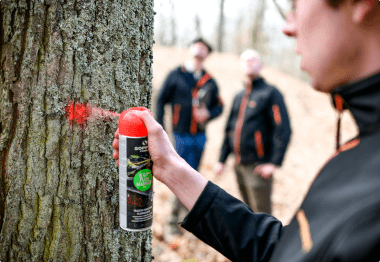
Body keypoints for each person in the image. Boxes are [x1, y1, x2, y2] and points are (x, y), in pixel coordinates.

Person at [113, 0, 380, 260]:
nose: (287, 26)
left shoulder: (259, 92)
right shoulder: (358, 155)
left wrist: (272, 161)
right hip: (196, 144)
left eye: (296, 4)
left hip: (242, 156)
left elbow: (277, 128)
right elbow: (281, 249)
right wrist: (172, 166)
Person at [155, 37, 224, 235]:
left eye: (205, 48)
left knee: (194, 176)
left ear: (207, 54)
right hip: (180, 135)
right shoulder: (176, 74)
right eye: (198, 46)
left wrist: (208, 114)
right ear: (191, 49)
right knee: (181, 175)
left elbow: (219, 106)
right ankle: (172, 222)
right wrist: (161, 128)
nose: (200, 50)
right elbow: (161, 100)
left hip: (200, 137)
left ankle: (189, 219)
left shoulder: (209, 81)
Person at [215, 49, 291, 214]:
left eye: (253, 60)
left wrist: (273, 163)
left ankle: (272, 241)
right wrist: (221, 160)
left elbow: (283, 128)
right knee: (249, 212)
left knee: (263, 215)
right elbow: (229, 129)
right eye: (245, 60)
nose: (249, 63)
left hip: (258, 166)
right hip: (238, 165)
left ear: (261, 65)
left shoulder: (270, 93)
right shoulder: (239, 96)